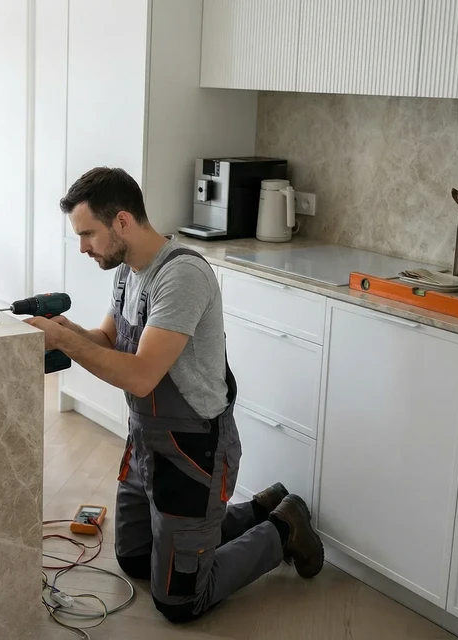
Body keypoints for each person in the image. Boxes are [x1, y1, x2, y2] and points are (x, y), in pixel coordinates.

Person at [25, 167, 324, 623]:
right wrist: (67, 330)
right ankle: (260, 507)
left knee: (179, 601)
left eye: (88, 234)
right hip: (146, 441)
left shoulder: (181, 276)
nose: (83, 247)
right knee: (134, 558)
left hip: (195, 451)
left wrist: (65, 343)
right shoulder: (126, 271)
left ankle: (284, 528)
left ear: (122, 222)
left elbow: (142, 376)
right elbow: (108, 340)